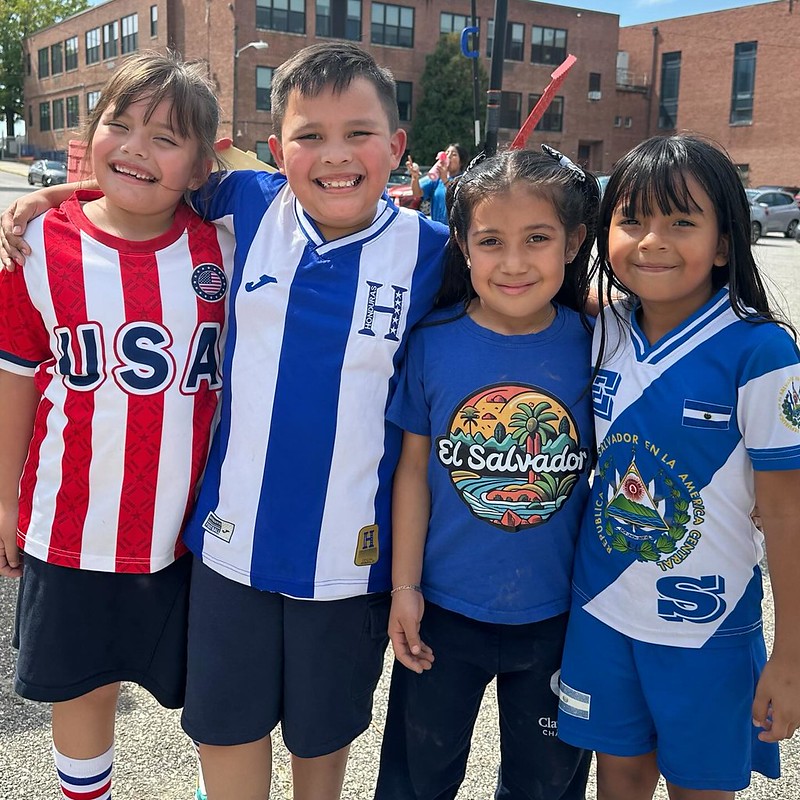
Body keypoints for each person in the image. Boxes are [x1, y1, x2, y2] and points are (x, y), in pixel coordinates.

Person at [0, 42, 450, 800]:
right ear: (278, 151)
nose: (333, 155)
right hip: (224, 552)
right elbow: (149, 179)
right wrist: (55, 197)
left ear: (398, 148)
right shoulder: (248, 203)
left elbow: (525, 290)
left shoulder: (435, 252)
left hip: (348, 563)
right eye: (310, 135)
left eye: (359, 133)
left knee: (320, 743)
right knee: (227, 733)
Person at [0, 51, 233, 800]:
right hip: (75, 524)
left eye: (166, 138)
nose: (136, 147)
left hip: (194, 531)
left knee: (216, 698)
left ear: (203, 165)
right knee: (83, 687)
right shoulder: (34, 248)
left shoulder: (227, 246)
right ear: (91, 131)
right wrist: (5, 500)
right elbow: (16, 380)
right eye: (119, 125)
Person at [556, 133, 800, 799]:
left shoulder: (761, 351)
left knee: (700, 787)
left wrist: (791, 657)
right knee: (620, 777)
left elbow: (786, 512)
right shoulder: (601, 328)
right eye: (631, 220)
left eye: (682, 221)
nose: (653, 240)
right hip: (603, 611)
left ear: (725, 243)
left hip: (708, 628)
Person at [373, 146, 600, 800]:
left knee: (545, 786)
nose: (514, 262)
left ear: (573, 241)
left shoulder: (598, 341)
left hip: (558, 616)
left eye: (538, 239)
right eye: (492, 241)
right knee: (417, 781)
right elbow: (412, 473)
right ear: (463, 246)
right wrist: (404, 588)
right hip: (443, 611)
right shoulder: (433, 341)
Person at [406, 143, 467, 224]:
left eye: (454, 154)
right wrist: (415, 177)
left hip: (456, 231)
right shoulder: (437, 179)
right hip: (438, 229)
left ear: (461, 162)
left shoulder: (464, 179)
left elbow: (459, 197)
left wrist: (445, 180)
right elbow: (417, 193)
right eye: (447, 153)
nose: (448, 156)